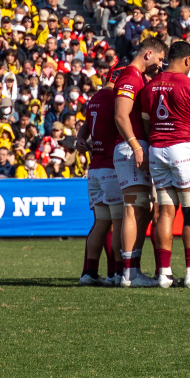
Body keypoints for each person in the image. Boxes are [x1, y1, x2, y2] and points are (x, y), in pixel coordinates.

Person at [137, 40, 190, 288]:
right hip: (183, 149)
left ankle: (164, 274)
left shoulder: (150, 86)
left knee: (166, 213)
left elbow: (147, 122)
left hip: (157, 149)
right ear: (189, 61)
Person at [112, 36, 168, 287]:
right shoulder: (130, 77)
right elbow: (120, 115)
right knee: (133, 209)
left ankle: (132, 270)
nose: (160, 65)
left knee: (140, 209)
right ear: (148, 54)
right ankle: (129, 273)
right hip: (130, 148)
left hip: (134, 147)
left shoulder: (137, 77)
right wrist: (136, 146)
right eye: (159, 59)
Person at [76, 82, 125, 285]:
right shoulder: (116, 98)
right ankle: (115, 273)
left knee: (100, 223)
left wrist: (80, 139)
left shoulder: (94, 98)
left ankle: (89, 272)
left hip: (95, 167)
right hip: (111, 166)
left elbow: (84, 130)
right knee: (119, 222)